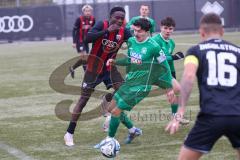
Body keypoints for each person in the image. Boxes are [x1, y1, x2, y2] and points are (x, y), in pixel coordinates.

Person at [165, 13, 240, 160]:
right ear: (222, 31)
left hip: (211, 116)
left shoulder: (195, 51)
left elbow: (188, 77)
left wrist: (180, 111)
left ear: (201, 32)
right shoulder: (238, 51)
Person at [95, 18, 175, 148]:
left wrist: (169, 87)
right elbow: (130, 60)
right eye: (134, 30)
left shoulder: (154, 46)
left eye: (139, 31)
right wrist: (115, 61)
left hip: (141, 87)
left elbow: (165, 65)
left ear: (147, 31)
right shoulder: (131, 41)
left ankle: (109, 140)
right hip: (129, 82)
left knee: (116, 111)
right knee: (111, 108)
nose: (136, 33)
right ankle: (133, 130)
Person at [64, 6, 133, 146]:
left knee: (123, 91)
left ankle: (107, 106)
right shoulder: (102, 24)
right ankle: (69, 133)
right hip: (93, 69)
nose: (120, 20)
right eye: (117, 17)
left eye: (122, 18)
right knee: (83, 100)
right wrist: (106, 31)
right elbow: (88, 38)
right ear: (111, 16)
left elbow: (134, 43)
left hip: (110, 68)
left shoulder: (124, 31)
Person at [152, 17, 189, 124]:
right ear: (161, 28)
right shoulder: (155, 41)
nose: (168, 31)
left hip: (164, 71)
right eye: (166, 28)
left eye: (171, 29)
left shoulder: (171, 42)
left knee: (174, 91)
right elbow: (156, 58)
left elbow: (169, 60)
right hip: (154, 70)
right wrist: (173, 57)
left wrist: (172, 73)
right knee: (175, 89)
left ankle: (176, 117)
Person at [70, 4, 95, 77]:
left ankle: (72, 68)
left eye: (89, 11)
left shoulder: (93, 19)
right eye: (86, 11)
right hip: (79, 40)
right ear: (83, 11)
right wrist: (74, 42)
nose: (87, 12)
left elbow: (94, 30)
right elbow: (74, 30)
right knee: (84, 56)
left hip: (86, 41)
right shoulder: (79, 19)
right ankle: (86, 74)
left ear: (91, 11)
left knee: (84, 57)